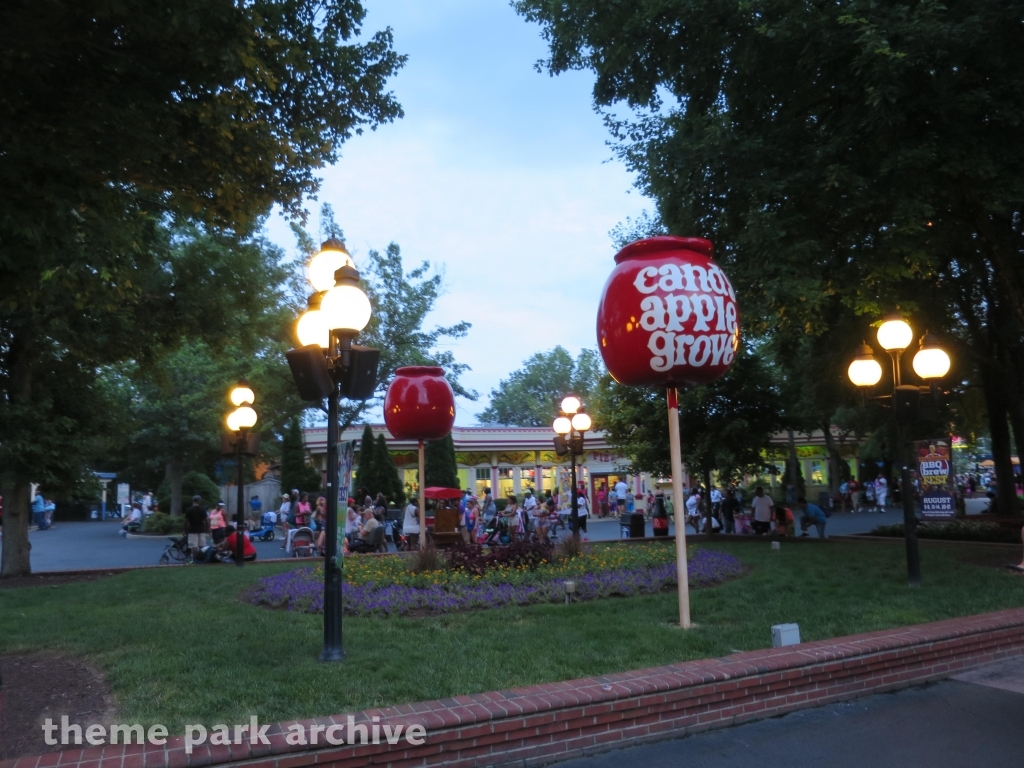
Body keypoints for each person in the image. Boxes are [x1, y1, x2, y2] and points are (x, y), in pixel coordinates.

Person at [183, 495, 208, 562]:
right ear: (199, 501)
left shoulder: (189, 509)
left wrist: (184, 530)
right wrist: (208, 528)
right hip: (201, 529)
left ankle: (194, 559)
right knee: (202, 545)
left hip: (192, 529)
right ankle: (202, 558)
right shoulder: (203, 509)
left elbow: (186, 521)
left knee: (194, 546)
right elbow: (206, 520)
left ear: (193, 501)